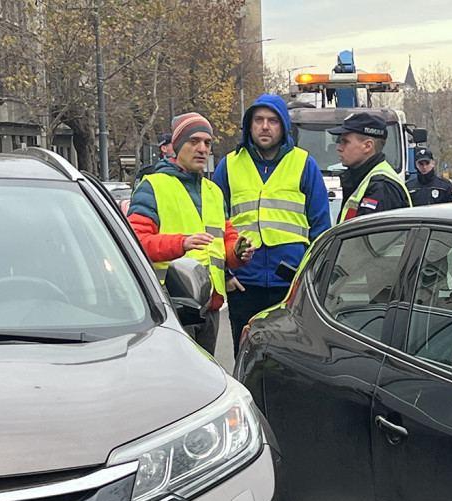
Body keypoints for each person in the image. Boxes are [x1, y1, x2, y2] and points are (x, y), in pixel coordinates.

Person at [213, 94, 331, 356]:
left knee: (290, 360)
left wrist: (310, 279)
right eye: (258, 120)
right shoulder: (229, 165)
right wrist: (226, 275)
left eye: (273, 121)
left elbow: (320, 227)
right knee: (246, 356)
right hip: (244, 283)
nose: (265, 127)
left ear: (283, 127)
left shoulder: (304, 164)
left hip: (289, 285)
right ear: (249, 125)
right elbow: (214, 224)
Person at [128, 113, 253, 354]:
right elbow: (136, 243)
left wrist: (239, 252)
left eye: (207, 143)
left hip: (209, 308)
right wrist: (182, 243)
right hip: (170, 307)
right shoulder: (152, 187)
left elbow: (225, 240)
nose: (202, 149)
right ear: (177, 146)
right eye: (193, 141)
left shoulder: (213, 191)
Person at [328, 113, 411, 223]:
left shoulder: (381, 187)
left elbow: (371, 238)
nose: (339, 148)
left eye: (345, 142)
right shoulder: (364, 179)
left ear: (367, 146)